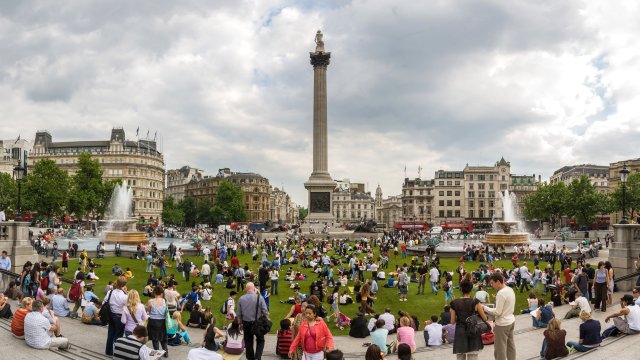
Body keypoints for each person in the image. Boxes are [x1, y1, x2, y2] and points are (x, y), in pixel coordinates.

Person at [451, 279, 488, 359]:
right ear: (471, 290)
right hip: (473, 330)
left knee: (460, 356)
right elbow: (484, 318)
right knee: (473, 356)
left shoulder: (454, 303)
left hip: (460, 331)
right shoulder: (475, 301)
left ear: (461, 290)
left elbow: (452, 321)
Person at [483, 272, 516, 360]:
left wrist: (485, 308)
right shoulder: (509, 289)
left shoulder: (501, 293)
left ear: (498, 282)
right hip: (511, 321)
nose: (492, 285)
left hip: (502, 324)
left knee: (499, 349)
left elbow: (498, 312)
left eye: (492, 283)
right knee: (510, 346)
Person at [236, 282, 270, 360]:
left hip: (246, 323)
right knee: (260, 340)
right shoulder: (259, 297)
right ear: (254, 288)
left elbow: (239, 314)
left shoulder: (241, 298)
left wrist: (240, 323)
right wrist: (268, 319)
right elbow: (265, 310)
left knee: (248, 342)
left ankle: (250, 358)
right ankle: (258, 357)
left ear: (246, 289)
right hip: (257, 323)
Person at [105, 276, 129, 356]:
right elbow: (128, 307)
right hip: (119, 316)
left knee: (111, 333)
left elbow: (104, 302)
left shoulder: (110, 292)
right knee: (118, 335)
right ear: (124, 285)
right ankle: (114, 352)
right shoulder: (124, 296)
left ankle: (108, 351)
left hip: (111, 315)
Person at [146, 286, 169, 357]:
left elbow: (148, 312)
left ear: (154, 292)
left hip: (153, 321)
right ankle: (165, 351)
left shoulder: (150, 301)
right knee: (163, 338)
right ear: (161, 293)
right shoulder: (164, 300)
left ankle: (157, 353)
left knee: (155, 338)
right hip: (162, 321)